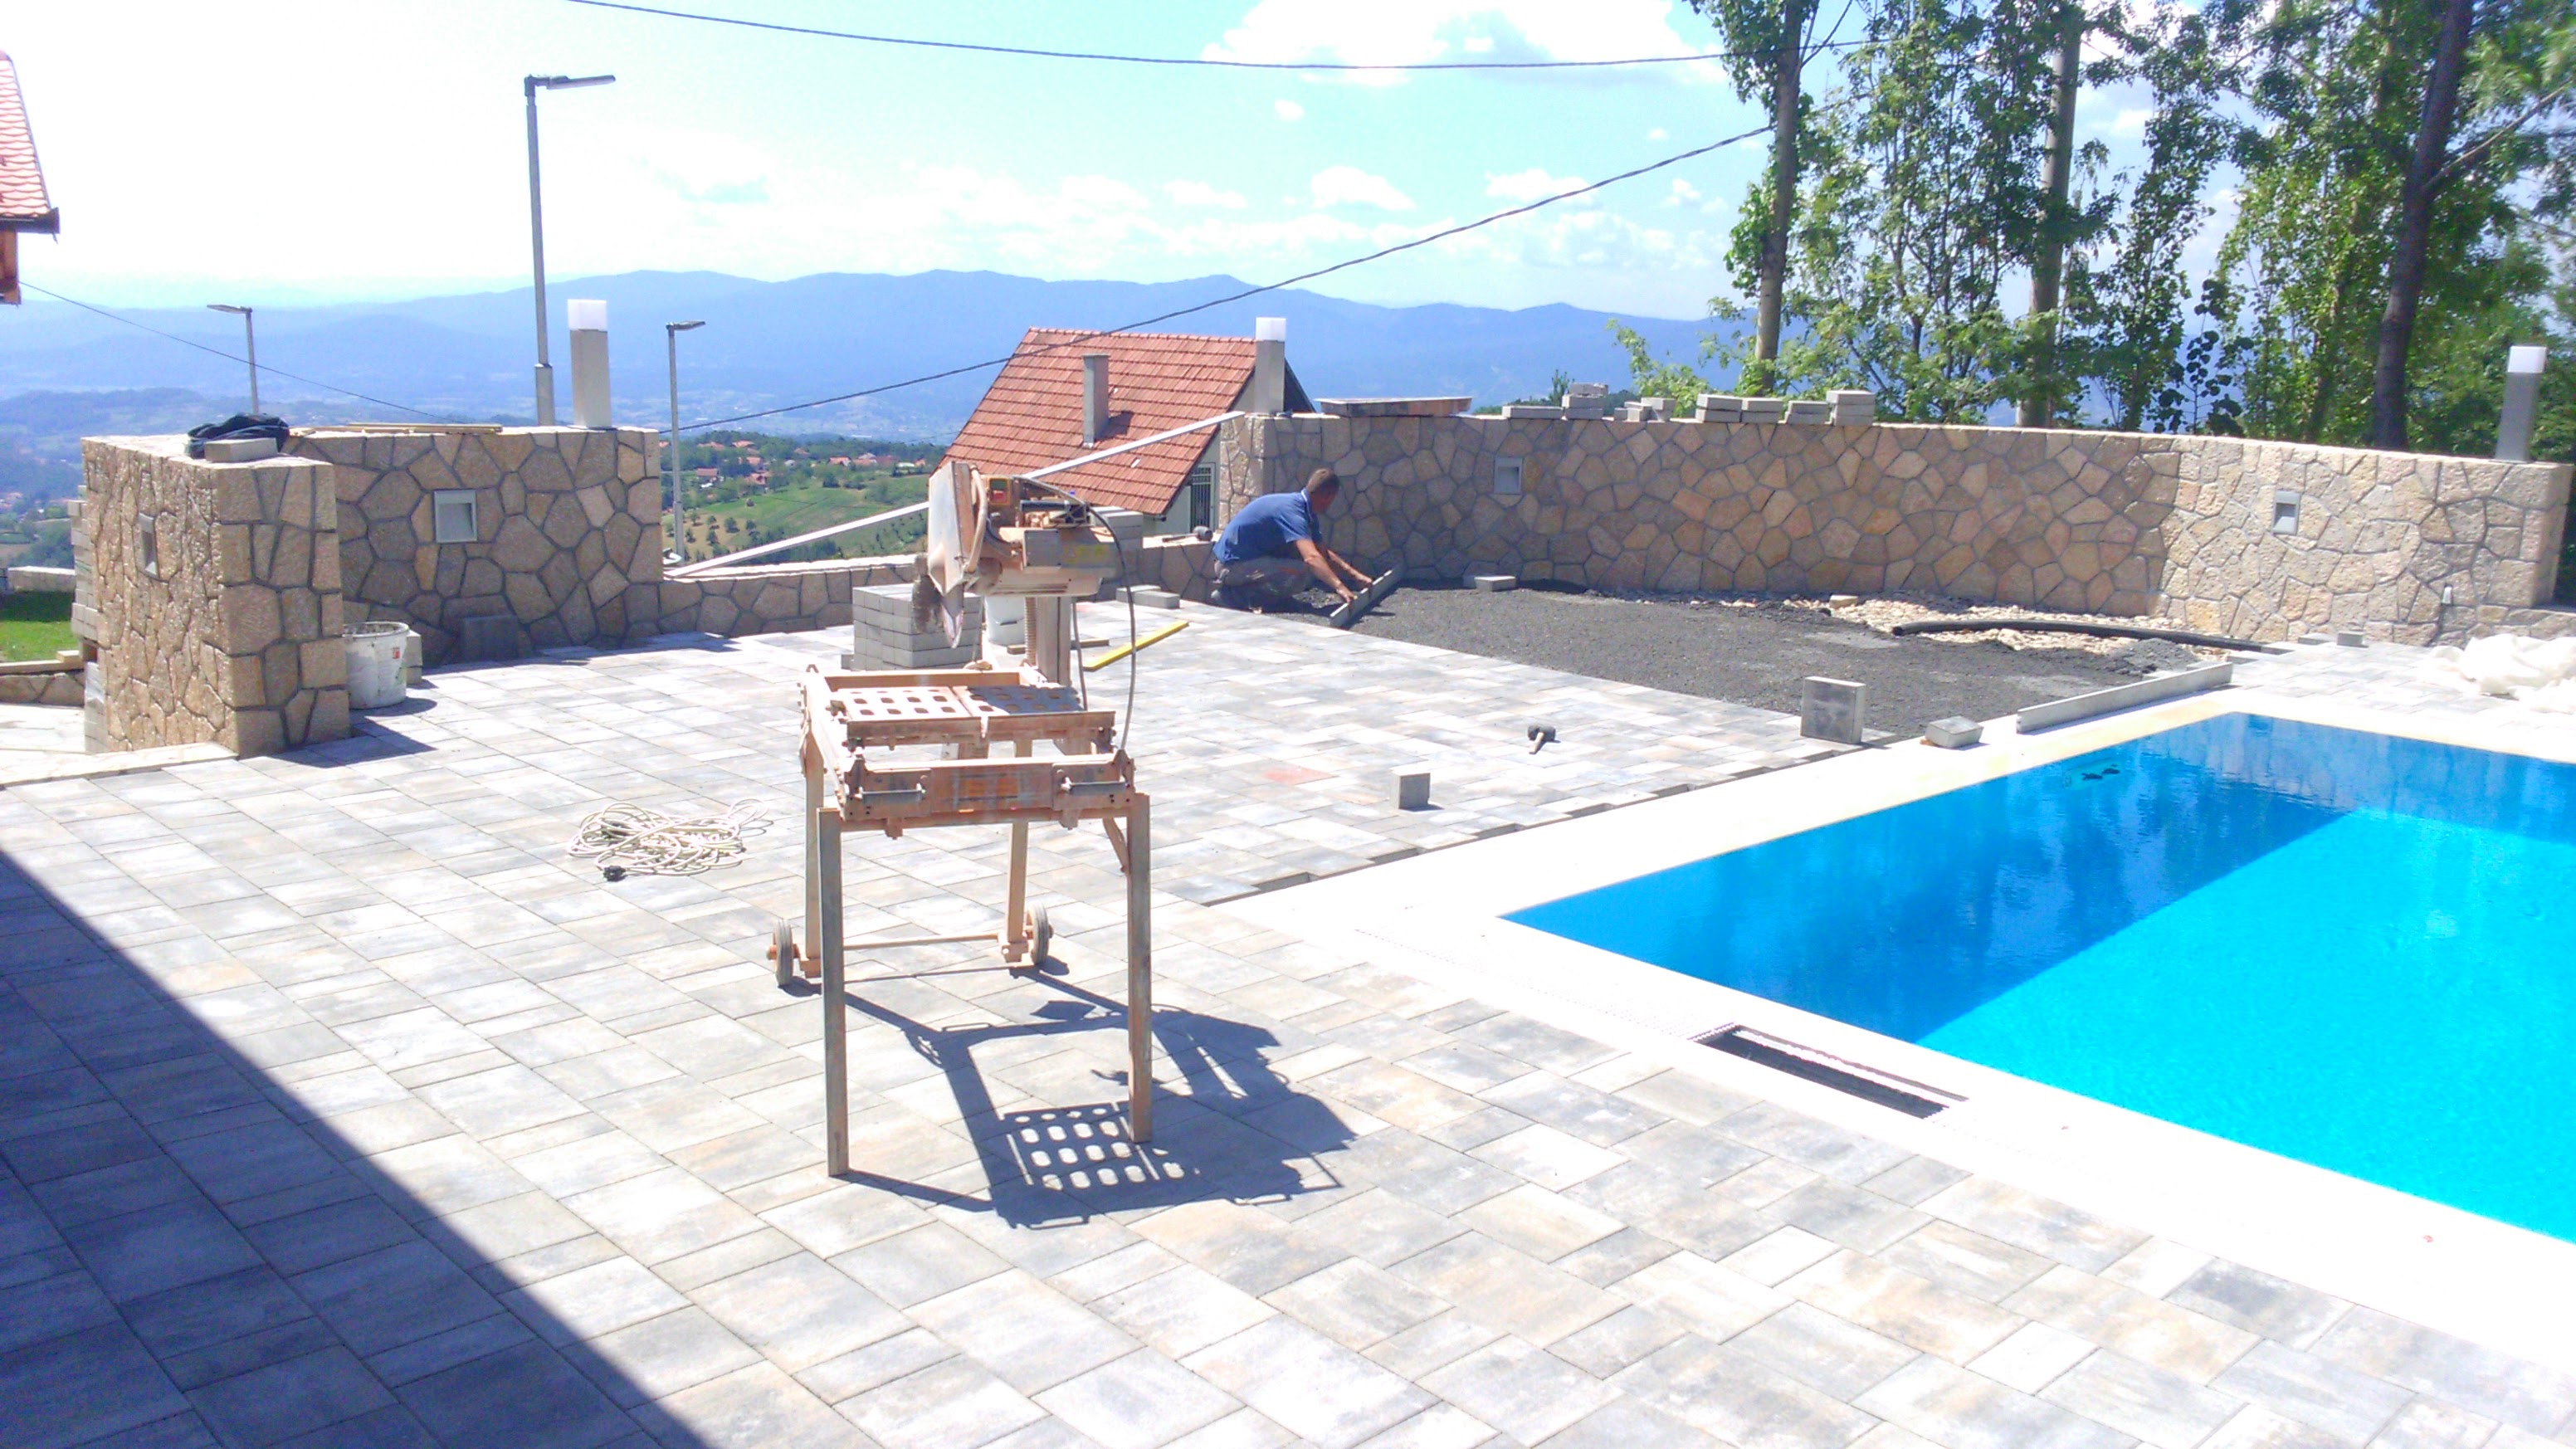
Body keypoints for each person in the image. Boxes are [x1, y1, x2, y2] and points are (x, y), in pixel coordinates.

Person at [1211, 467, 1375, 611]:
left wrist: (1355, 576)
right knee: (1303, 571)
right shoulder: (1293, 512)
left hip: (1245, 561)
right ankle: (1233, 597)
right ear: (1327, 497)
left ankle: (1276, 600)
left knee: (1300, 561)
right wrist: (1339, 587)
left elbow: (1322, 554)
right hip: (1231, 566)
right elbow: (1312, 558)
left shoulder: (1305, 510)